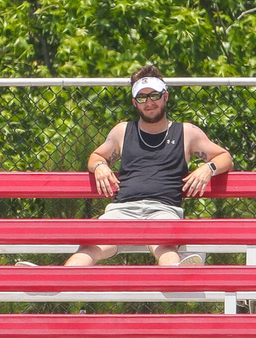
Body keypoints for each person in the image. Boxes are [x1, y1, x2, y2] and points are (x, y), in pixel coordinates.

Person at [64, 64, 234, 266]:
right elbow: (96, 156)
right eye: (142, 98)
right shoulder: (123, 131)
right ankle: (53, 280)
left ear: (166, 96)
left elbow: (225, 157)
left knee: (165, 245)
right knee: (91, 247)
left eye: (154, 95)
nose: (149, 102)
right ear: (135, 103)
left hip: (164, 209)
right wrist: (100, 165)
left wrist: (208, 168)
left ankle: (177, 273)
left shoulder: (186, 132)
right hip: (123, 209)